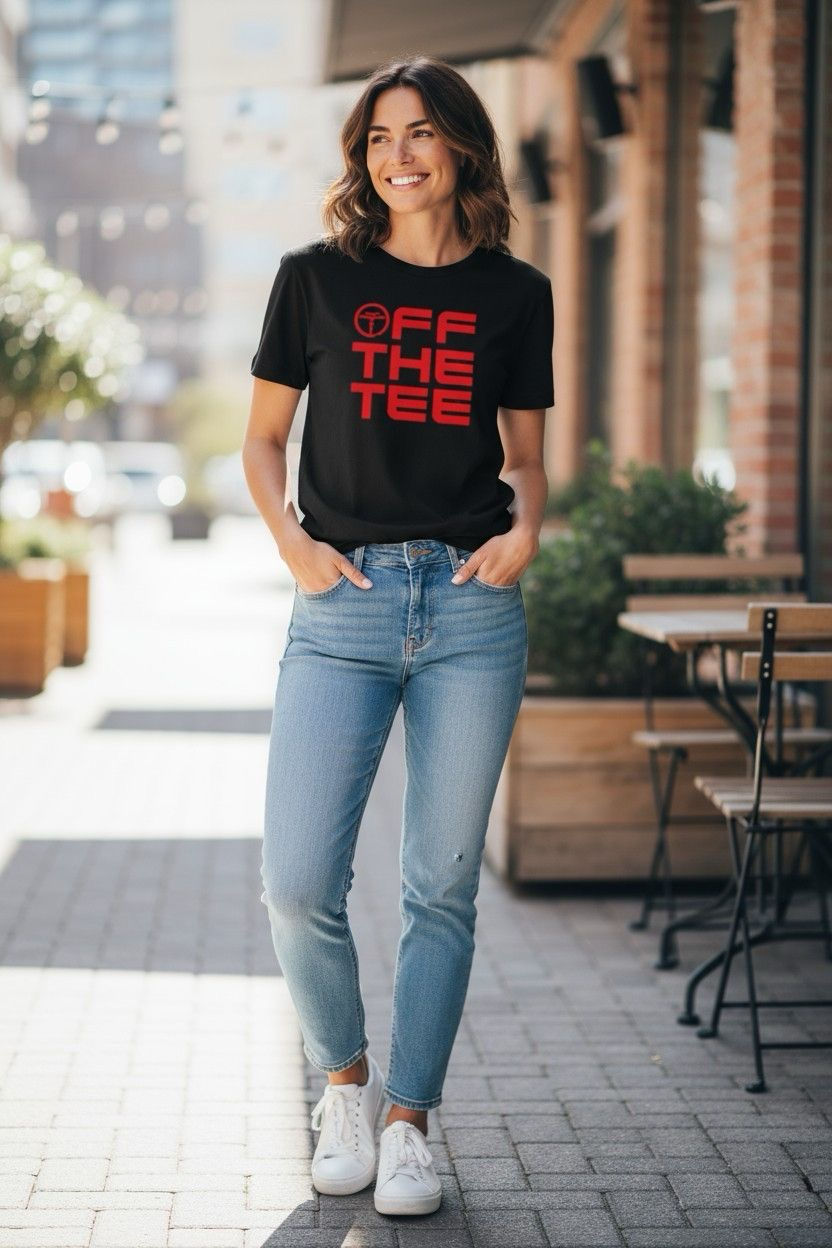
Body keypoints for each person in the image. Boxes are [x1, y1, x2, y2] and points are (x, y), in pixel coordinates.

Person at [243, 53, 554, 1218]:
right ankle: (343, 1084)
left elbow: (522, 462)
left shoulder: (515, 295)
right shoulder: (313, 281)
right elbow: (264, 441)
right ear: (360, 157)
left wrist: (533, 524)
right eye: (379, 138)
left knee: (439, 888)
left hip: (472, 607)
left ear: (462, 146)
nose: (399, 155)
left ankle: (412, 1122)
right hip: (342, 606)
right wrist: (292, 547)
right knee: (295, 883)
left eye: (420, 133)